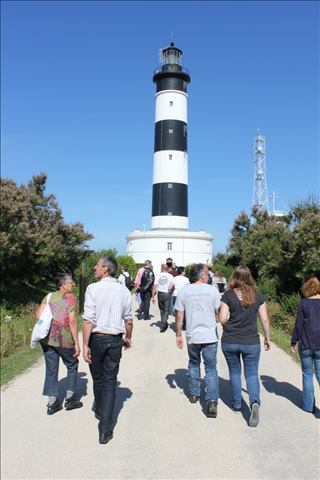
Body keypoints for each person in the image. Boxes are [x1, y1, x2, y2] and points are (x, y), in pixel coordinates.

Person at [82, 256, 133, 444]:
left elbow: (88, 320)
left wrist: (85, 344)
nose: (94, 268)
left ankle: (101, 410)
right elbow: (128, 319)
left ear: (105, 269)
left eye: (96, 265)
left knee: (98, 377)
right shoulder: (124, 291)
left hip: (97, 338)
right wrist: (128, 337)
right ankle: (105, 428)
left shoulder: (92, 289)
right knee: (110, 380)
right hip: (114, 339)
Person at [219, 266, 271, 427]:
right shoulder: (258, 295)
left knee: (234, 372)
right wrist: (267, 338)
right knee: (252, 374)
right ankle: (254, 402)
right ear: (250, 277)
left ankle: (236, 404)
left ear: (234, 277)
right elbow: (264, 319)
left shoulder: (228, 295)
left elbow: (222, 318)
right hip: (251, 341)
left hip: (230, 340)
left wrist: (230, 324)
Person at [175, 264, 221, 417]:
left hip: (193, 336)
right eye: (207, 274)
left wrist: (178, 335)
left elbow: (179, 316)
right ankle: (212, 400)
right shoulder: (212, 290)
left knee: (194, 363)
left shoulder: (184, 292)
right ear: (202, 275)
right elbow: (218, 313)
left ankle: (194, 394)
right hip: (209, 336)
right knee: (211, 368)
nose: (208, 276)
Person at [36, 273, 82, 415]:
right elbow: (72, 321)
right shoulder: (70, 297)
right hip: (64, 338)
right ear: (62, 285)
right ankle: (70, 399)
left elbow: (38, 315)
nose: (73, 285)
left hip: (47, 339)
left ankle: (52, 403)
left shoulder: (48, 296)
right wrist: (77, 343)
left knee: (51, 368)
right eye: (71, 282)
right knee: (72, 364)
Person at [291, 276, 320, 413]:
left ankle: (308, 407)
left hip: (306, 345)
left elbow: (298, 325)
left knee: (307, 374)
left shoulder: (303, 303)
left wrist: (293, 341)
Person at [152, 264, 174, 332]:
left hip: (160, 294)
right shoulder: (170, 276)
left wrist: (153, 296)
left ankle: (163, 323)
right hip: (167, 293)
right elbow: (172, 285)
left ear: (162, 269)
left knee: (162, 310)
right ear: (167, 269)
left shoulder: (158, 275)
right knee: (166, 310)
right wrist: (169, 290)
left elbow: (154, 286)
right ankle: (164, 324)